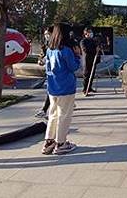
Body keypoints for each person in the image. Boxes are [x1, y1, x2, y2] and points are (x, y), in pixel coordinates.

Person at [41, 23, 81, 155]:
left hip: (53, 87)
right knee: (64, 115)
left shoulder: (50, 50)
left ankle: (49, 140)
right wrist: (77, 56)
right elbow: (74, 67)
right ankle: (61, 143)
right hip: (66, 87)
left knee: (53, 114)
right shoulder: (66, 51)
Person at [34, 27, 53, 119]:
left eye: (48, 34)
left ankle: (45, 110)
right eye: (45, 34)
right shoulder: (45, 45)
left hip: (55, 73)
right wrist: (41, 60)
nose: (47, 36)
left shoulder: (56, 45)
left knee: (52, 92)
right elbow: (42, 56)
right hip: (49, 71)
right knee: (51, 92)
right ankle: (45, 110)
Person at [80, 27, 100, 95]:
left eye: (91, 32)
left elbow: (97, 47)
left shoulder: (93, 41)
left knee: (92, 74)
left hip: (93, 60)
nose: (91, 33)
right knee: (86, 75)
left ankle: (90, 87)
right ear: (86, 33)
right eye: (89, 32)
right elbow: (85, 50)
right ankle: (85, 89)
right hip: (87, 60)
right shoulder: (83, 41)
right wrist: (94, 51)